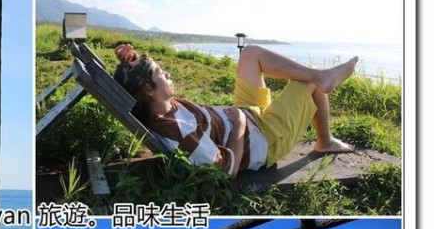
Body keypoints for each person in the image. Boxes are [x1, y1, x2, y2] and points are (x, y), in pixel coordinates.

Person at [113, 43, 357, 178]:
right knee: (309, 82)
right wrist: (239, 122)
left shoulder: (159, 106)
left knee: (250, 53)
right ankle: (324, 139)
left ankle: (321, 76)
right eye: (160, 73)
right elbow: (226, 170)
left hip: (246, 116)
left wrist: (132, 58)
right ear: (148, 91)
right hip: (263, 139)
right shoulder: (179, 130)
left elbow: (139, 82)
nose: (167, 74)